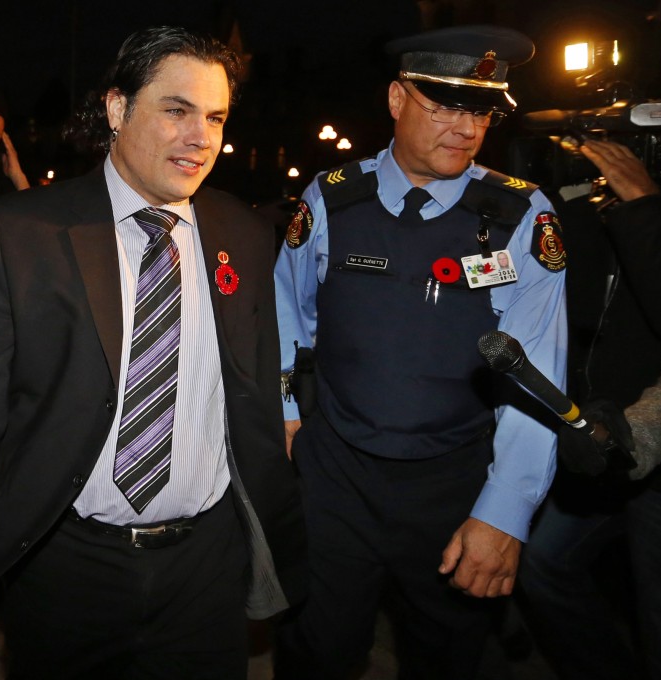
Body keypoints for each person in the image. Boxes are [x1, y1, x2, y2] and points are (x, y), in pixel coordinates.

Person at [0, 26, 306, 680]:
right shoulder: (24, 233)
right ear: (118, 109)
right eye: (176, 110)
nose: (200, 137)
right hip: (66, 568)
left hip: (205, 570)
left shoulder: (242, 231)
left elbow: (255, 394)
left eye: (214, 117)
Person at [272, 25, 568, 679]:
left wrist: (507, 511)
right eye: (444, 105)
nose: (466, 127)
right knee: (315, 651)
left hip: (454, 483)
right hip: (334, 478)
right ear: (397, 98)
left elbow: (537, 372)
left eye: (481, 110)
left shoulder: (522, 215)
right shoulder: (329, 198)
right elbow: (287, 316)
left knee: (447, 655)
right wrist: (289, 413)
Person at [519, 135, 661, 680]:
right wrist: (573, 205)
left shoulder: (650, 202)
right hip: (610, 435)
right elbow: (582, 301)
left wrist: (643, 203)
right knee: (544, 565)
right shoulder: (634, 198)